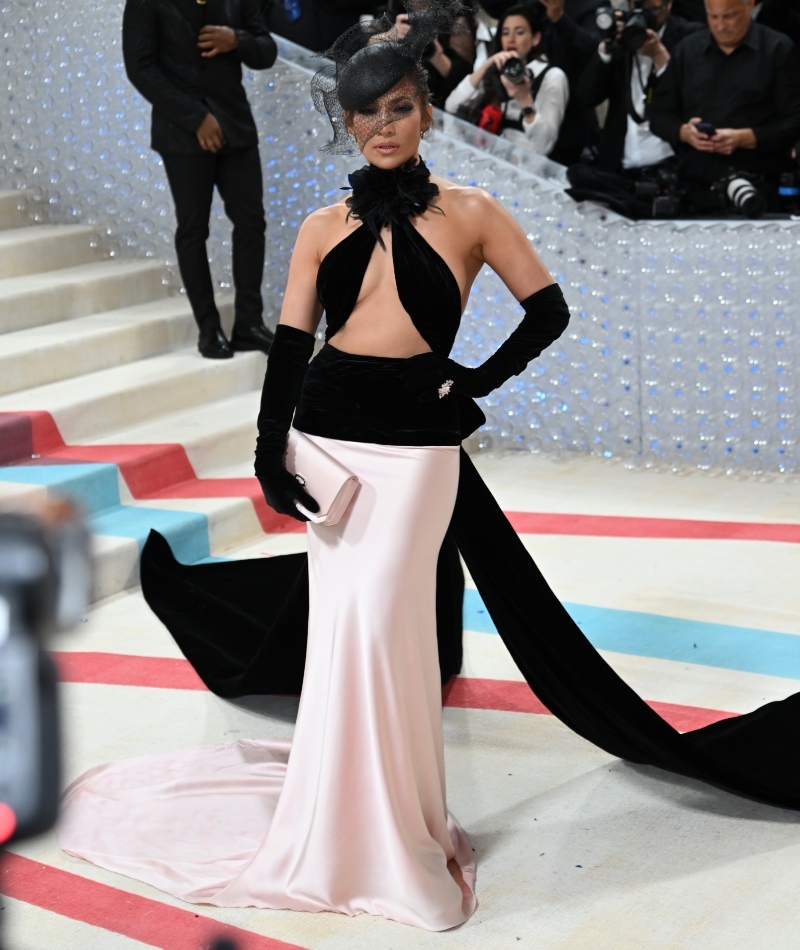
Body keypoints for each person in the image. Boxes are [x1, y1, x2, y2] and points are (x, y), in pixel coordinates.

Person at [60, 0, 800, 934]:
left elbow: (550, 311)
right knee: (344, 630)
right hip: (325, 441)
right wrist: (265, 454)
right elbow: (291, 349)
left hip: (417, 455)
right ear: (348, 118)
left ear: (423, 109)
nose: (381, 127)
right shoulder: (322, 224)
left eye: (400, 108)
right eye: (365, 112)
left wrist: (474, 382)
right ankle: (346, 814)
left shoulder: (475, 212)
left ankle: (393, 822)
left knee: (388, 631)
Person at [123, 0, 278, 359]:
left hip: (236, 124)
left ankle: (249, 325)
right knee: (193, 229)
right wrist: (195, 117)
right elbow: (140, 67)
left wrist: (236, 39)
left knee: (251, 222)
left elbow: (266, 50)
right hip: (181, 130)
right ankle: (209, 330)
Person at [649, 0, 800, 214]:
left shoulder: (778, 49)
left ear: (749, 7)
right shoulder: (687, 51)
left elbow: (794, 121)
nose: (720, 26)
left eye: (729, 16)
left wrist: (746, 138)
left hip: (761, 189)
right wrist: (683, 133)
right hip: (696, 190)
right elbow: (659, 114)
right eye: (713, 16)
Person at [567, 0, 701, 216]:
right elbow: (586, 96)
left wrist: (659, 55)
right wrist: (606, 48)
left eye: (654, 7)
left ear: (670, 4)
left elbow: (693, 99)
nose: (646, 12)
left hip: (673, 173)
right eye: (639, 4)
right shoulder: (622, 38)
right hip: (621, 174)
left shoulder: (690, 37)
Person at [445, 3, 570, 157]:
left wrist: (524, 98)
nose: (511, 39)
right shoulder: (496, 71)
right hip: (485, 158)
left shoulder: (552, 77)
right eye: (505, 33)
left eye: (519, 32)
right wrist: (486, 66)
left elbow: (543, 146)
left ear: (535, 38)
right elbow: (451, 106)